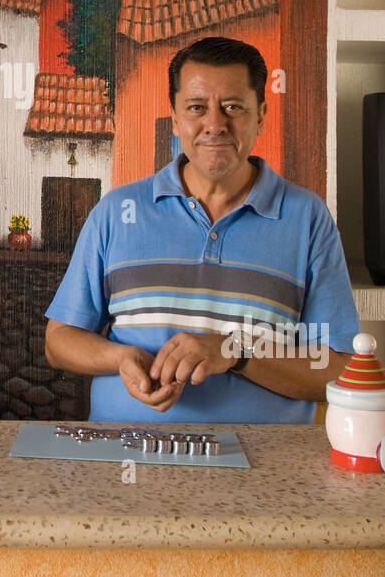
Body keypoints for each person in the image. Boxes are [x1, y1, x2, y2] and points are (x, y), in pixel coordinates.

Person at [45, 36, 360, 423]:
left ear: (260, 114)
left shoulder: (308, 218)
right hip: (124, 458)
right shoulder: (116, 210)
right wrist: (121, 357)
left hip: (263, 471)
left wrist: (236, 353)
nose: (215, 124)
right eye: (197, 107)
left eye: (233, 107)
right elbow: (59, 341)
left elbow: (341, 371)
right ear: (176, 118)